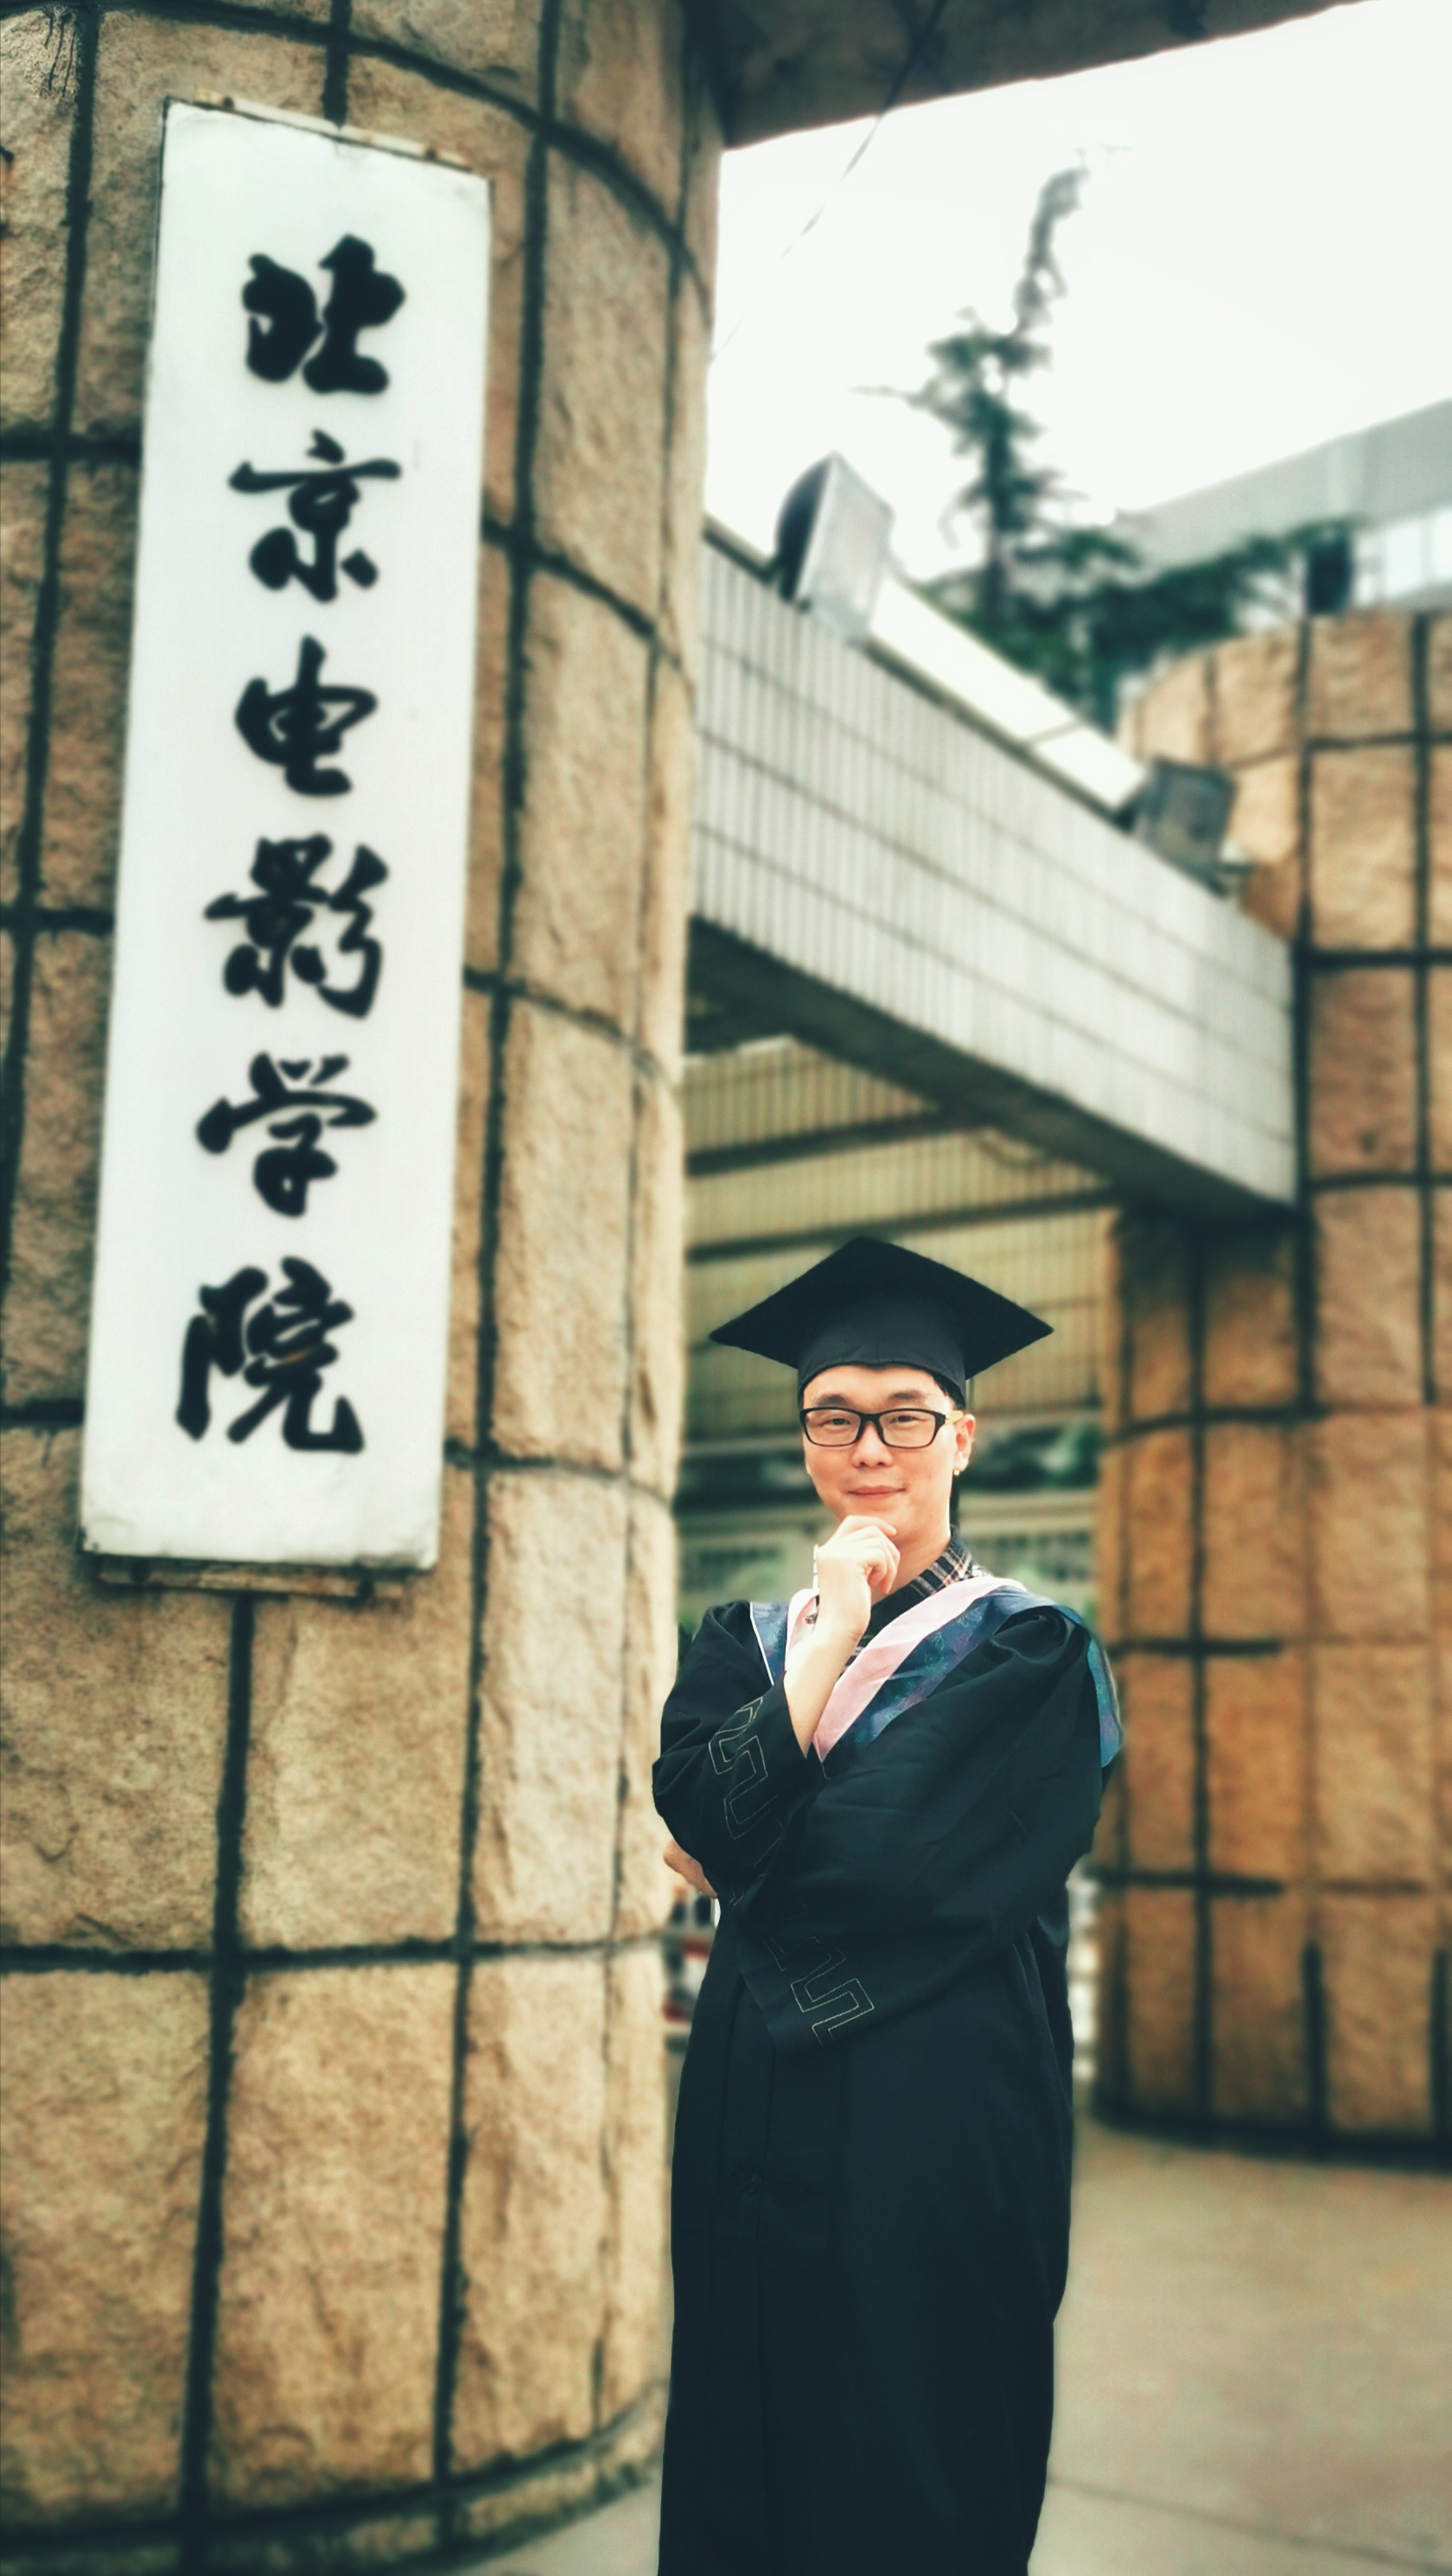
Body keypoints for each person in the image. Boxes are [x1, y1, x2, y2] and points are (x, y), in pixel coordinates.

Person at [653, 1236, 1120, 2576]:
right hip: (750, 2100)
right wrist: (827, 1648)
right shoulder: (741, 1643)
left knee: (912, 2438)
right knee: (743, 2431)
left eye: (905, 1414)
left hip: (938, 2106)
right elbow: (707, 1817)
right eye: (835, 1416)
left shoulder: (1033, 1652)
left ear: (960, 1437)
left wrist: (733, 1841)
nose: (871, 1447)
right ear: (805, 1440)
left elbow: (879, 1867)